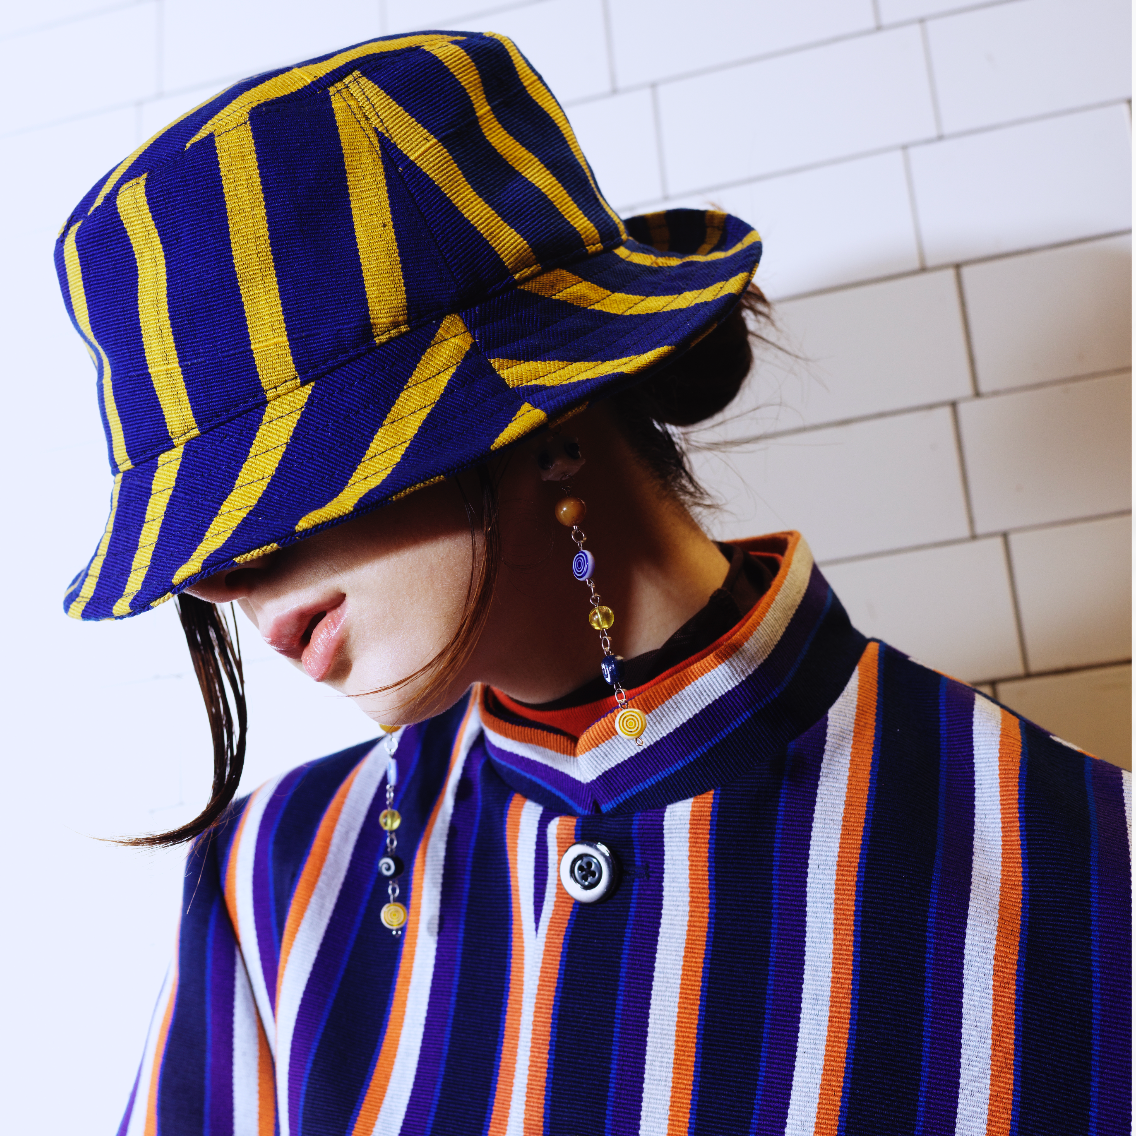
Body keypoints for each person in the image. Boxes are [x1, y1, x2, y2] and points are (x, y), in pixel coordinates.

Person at [57, 30, 1129, 1136]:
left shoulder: (1089, 881)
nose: (221, 577)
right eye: (203, 528)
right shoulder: (274, 876)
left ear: (550, 411)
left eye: (280, 478)